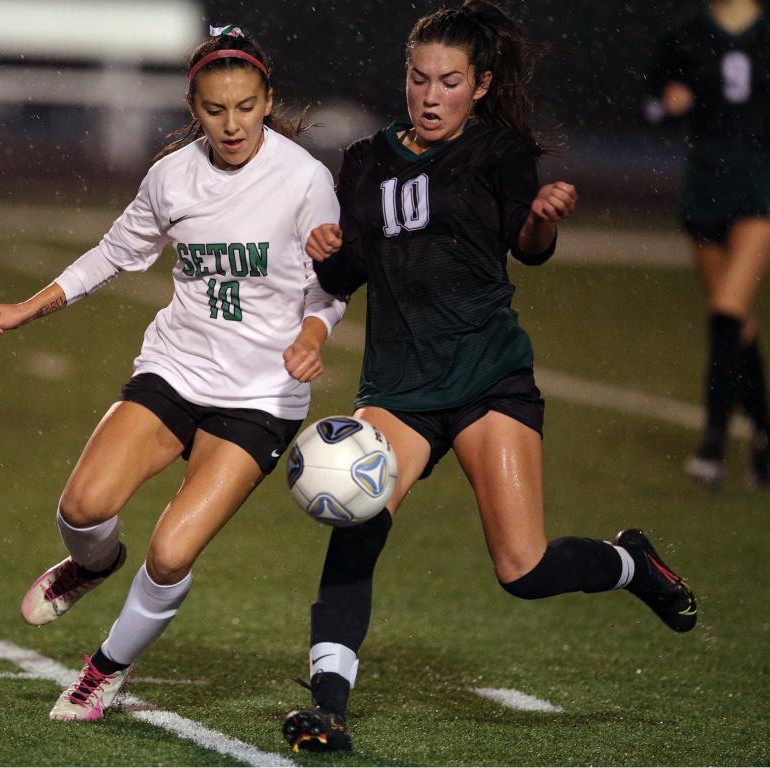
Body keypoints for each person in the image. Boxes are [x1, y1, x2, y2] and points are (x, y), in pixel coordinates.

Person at [281, 1, 698, 753]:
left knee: (523, 569)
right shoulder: (368, 161)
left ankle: (632, 563)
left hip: (486, 380)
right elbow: (349, 272)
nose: (429, 95)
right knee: (356, 526)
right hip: (400, 390)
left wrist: (543, 217)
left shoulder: (499, 153)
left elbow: (528, 247)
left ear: (479, 86)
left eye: (448, 82)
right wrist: (326, 246)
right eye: (418, 79)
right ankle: (328, 709)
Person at [0, 25, 345, 721]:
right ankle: (93, 565)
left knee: (172, 553)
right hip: (174, 370)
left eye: (245, 106)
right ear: (192, 107)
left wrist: (313, 334)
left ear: (268, 101)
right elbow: (111, 255)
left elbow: (331, 285)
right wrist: (29, 307)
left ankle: (104, 671)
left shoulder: (305, 179)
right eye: (214, 109)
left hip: (261, 396)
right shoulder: (173, 175)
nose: (231, 124)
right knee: (82, 510)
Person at [644, 0, 770, 490]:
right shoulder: (686, 34)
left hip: (759, 186)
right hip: (705, 187)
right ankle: (762, 433)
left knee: (726, 309)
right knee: (737, 323)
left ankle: (713, 443)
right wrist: (668, 103)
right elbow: (651, 103)